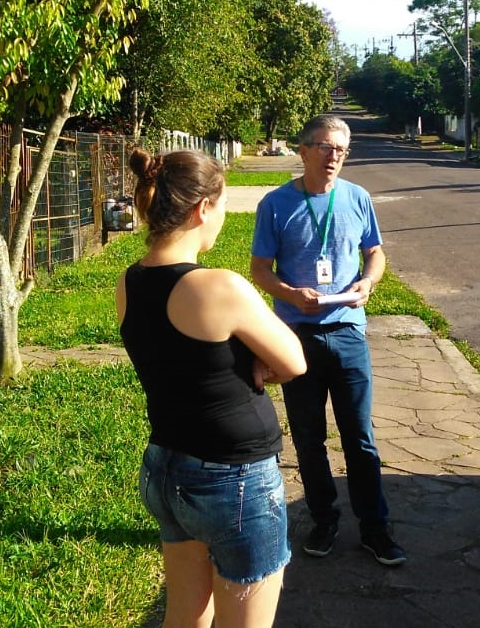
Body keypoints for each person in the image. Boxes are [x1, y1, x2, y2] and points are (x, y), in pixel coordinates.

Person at [116, 148, 307, 628]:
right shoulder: (218, 285)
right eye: (221, 207)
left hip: (165, 468)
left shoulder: (129, 281)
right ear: (203, 209)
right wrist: (261, 366)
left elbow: (181, 357)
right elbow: (294, 361)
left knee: (183, 615)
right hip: (232, 480)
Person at [250, 114, 406, 566]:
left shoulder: (357, 197)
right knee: (309, 437)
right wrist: (290, 294)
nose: (333, 156)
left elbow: (374, 252)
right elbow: (260, 269)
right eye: (324, 147)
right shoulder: (276, 204)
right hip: (296, 337)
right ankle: (323, 520)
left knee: (360, 436)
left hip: (349, 332)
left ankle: (375, 527)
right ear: (302, 151)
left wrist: (369, 283)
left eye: (340, 149)